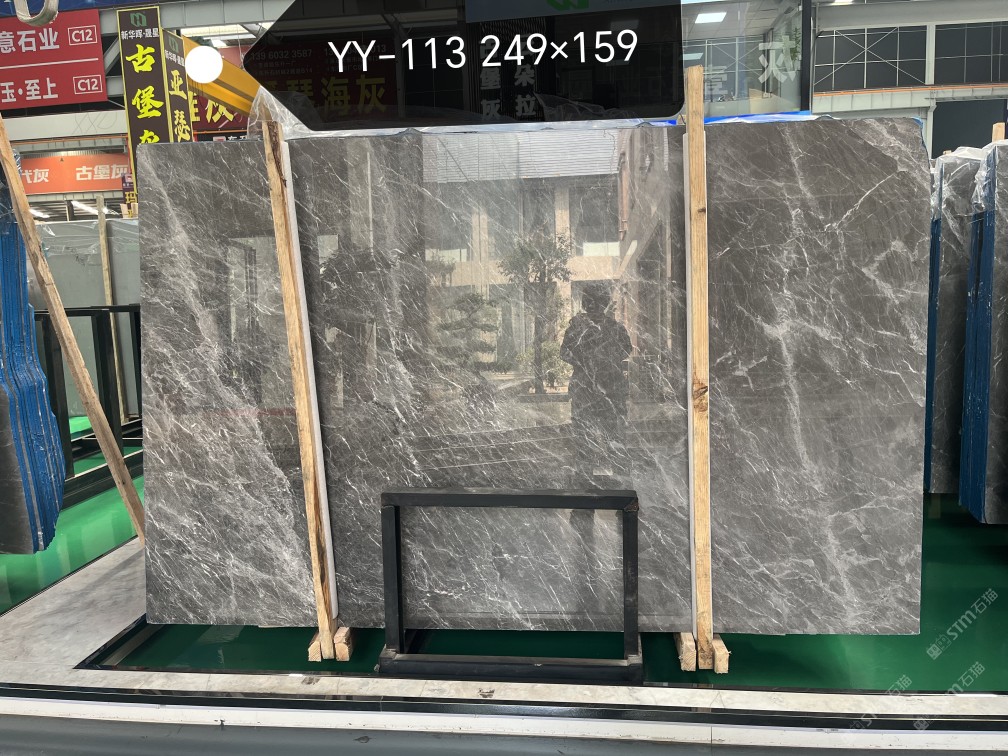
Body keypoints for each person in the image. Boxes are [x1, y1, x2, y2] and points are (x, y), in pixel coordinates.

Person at [560, 282, 632, 478]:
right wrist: (583, 363)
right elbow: (564, 352)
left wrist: (606, 362)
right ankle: (586, 479)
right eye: (588, 302)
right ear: (584, 303)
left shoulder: (615, 328)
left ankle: (619, 479)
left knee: (614, 435)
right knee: (584, 436)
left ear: (604, 303)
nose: (592, 306)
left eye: (597, 302)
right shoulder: (576, 327)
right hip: (585, 387)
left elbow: (626, 349)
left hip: (610, 388)